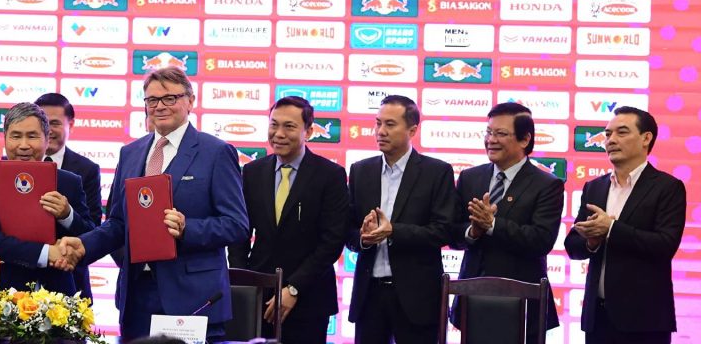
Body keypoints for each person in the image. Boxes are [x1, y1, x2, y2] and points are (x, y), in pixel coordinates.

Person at [55, 67, 249, 342]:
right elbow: (118, 222)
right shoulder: (130, 153)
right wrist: (84, 245)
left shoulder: (216, 152)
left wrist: (187, 229)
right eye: (152, 100)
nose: (160, 106)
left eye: (170, 98)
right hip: (136, 296)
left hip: (191, 298)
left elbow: (236, 225)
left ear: (190, 101)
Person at [228, 96, 349, 343]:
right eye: (274, 125)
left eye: (289, 126)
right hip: (259, 298)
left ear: (309, 131)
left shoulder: (330, 175)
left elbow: (332, 241)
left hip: (309, 297)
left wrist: (294, 288)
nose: (279, 134)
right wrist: (245, 283)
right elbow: (240, 232)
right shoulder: (252, 171)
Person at [565, 107, 686, 344]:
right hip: (597, 319)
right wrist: (591, 241)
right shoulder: (594, 187)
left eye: (621, 132)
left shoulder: (667, 187)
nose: (611, 140)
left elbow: (665, 245)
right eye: (607, 134)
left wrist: (611, 228)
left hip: (644, 321)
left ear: (646, 138)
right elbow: (572, 246)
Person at [347, 95, 458, 344]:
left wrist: (393, 231)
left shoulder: (436, 172)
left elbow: (444, 231)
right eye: (378, 123)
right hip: (369, 295)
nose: (380, 131)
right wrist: (363, 238)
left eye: (390, 124)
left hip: (417, 298)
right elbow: (348, 231)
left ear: (412, 130)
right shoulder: (360, 170)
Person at [452, 102, 561, 342]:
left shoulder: (547, 185)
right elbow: (452, 233)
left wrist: (492, 225)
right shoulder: (470, 177)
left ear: (525, 140)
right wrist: (473, 231)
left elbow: (541, 240)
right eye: (488, 132)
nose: (491, 140)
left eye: (501, 133)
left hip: (524, 303)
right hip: (472, 298)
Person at [0, 102, 95, 295]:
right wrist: (47, 253)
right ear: (5, 138)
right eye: (16, 136)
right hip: (2, 299)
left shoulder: (69, 182)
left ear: (47, 139)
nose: (24, 145)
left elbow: (91, 238)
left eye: (32, 136)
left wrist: (67, 215)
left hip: (62, 298)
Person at [34, 92, 103, 300]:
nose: (48, 130)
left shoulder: (87, 170)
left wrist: (67, 214)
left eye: (54, 123)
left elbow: (93, 231)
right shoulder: (11, 166)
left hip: (71, 283)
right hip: (18, 284)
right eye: (42, 123)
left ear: (70, 124)